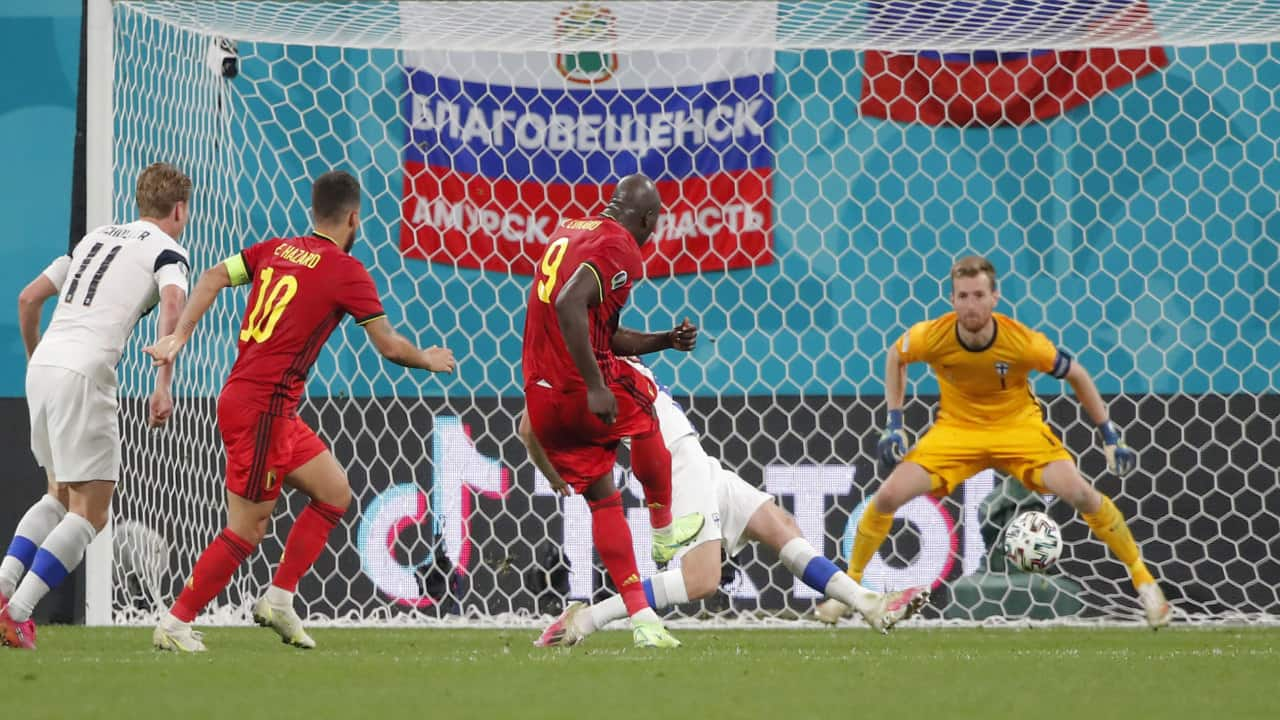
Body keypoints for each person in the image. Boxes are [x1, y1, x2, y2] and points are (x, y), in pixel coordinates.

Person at [146, 170, 455, 652]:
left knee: (334, 492)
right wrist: (428, 360)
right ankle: (176, 622)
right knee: (247, 528)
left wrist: (180, 336)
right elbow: (390, 347)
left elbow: (211, 276)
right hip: (264, 408)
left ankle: (280, 598)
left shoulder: (275, 249)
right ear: (355, 217)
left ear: (315, 212)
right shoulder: (345, 270)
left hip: (262, 403)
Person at [815, 255, 1171, 628]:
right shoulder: (932, 336)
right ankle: (849, 589)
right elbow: (895, 355)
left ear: (995, 297)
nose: (971, 305)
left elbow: (1077, 374)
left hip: (1018, 428)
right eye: (963, 296)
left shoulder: (1021, 343)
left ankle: (1145, 584)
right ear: (952, 299)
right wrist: (894, 423)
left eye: (979, 295)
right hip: (957, 431)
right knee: (887, 497)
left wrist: (1109, 435)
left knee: (1080, 493)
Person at [526, 357, 928, 647]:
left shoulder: (605, 343)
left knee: (781, 525)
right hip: (675, 468)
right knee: (702, 581)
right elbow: (529, 426)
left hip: (699, 461)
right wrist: (554, 475)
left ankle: (870, 604)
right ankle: (588, 619)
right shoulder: (570, 368)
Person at [0, 162, 192, 649]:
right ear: (179, 209)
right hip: (85, 372)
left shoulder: (94, 238)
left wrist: (35, 360)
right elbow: (173, 304)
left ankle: (3, 588)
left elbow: (27, 300)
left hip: (43, 370)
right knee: (91, 512)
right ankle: (18, 613)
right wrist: (163, 382)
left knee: (58, 495)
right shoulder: (169, 250)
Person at [522, 174, 704, 648]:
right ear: (647, 219)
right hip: (579, 388)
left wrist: (664, 340)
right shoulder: (622, 247)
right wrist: (598, 385)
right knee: (645, 408)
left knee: (604, 500)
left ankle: (643, 620)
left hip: (542, 401)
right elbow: (569, 304)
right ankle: (664, 529)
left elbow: (598, 329)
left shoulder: (569, 229)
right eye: (654, 224)